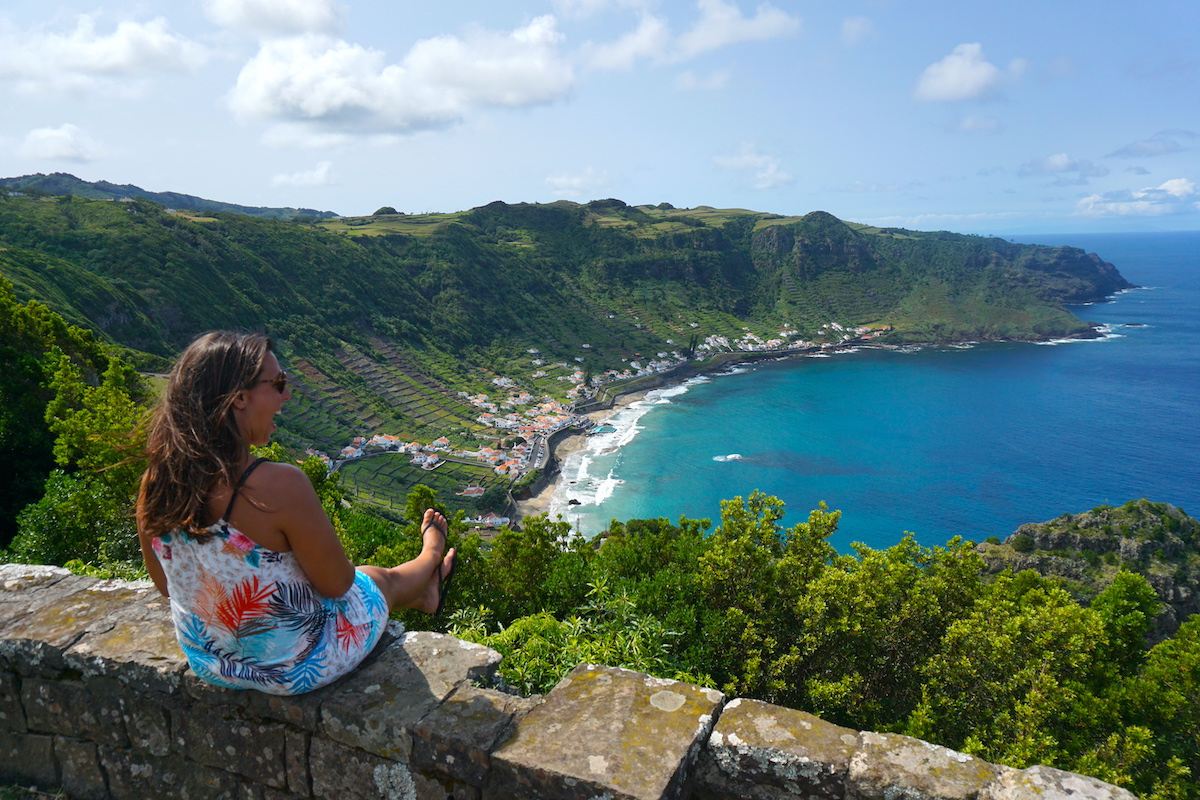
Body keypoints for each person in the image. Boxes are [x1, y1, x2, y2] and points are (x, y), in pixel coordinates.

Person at [136, 331, 455, 695]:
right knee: (375, 579)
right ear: (239, 397)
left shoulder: (156, 484)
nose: (287, 394)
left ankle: (422, 595)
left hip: (214, 662)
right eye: (278, 384)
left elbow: (166, 585)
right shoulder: (278, 486)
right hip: (295, 668)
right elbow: (338, 585)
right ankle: (431, 556)